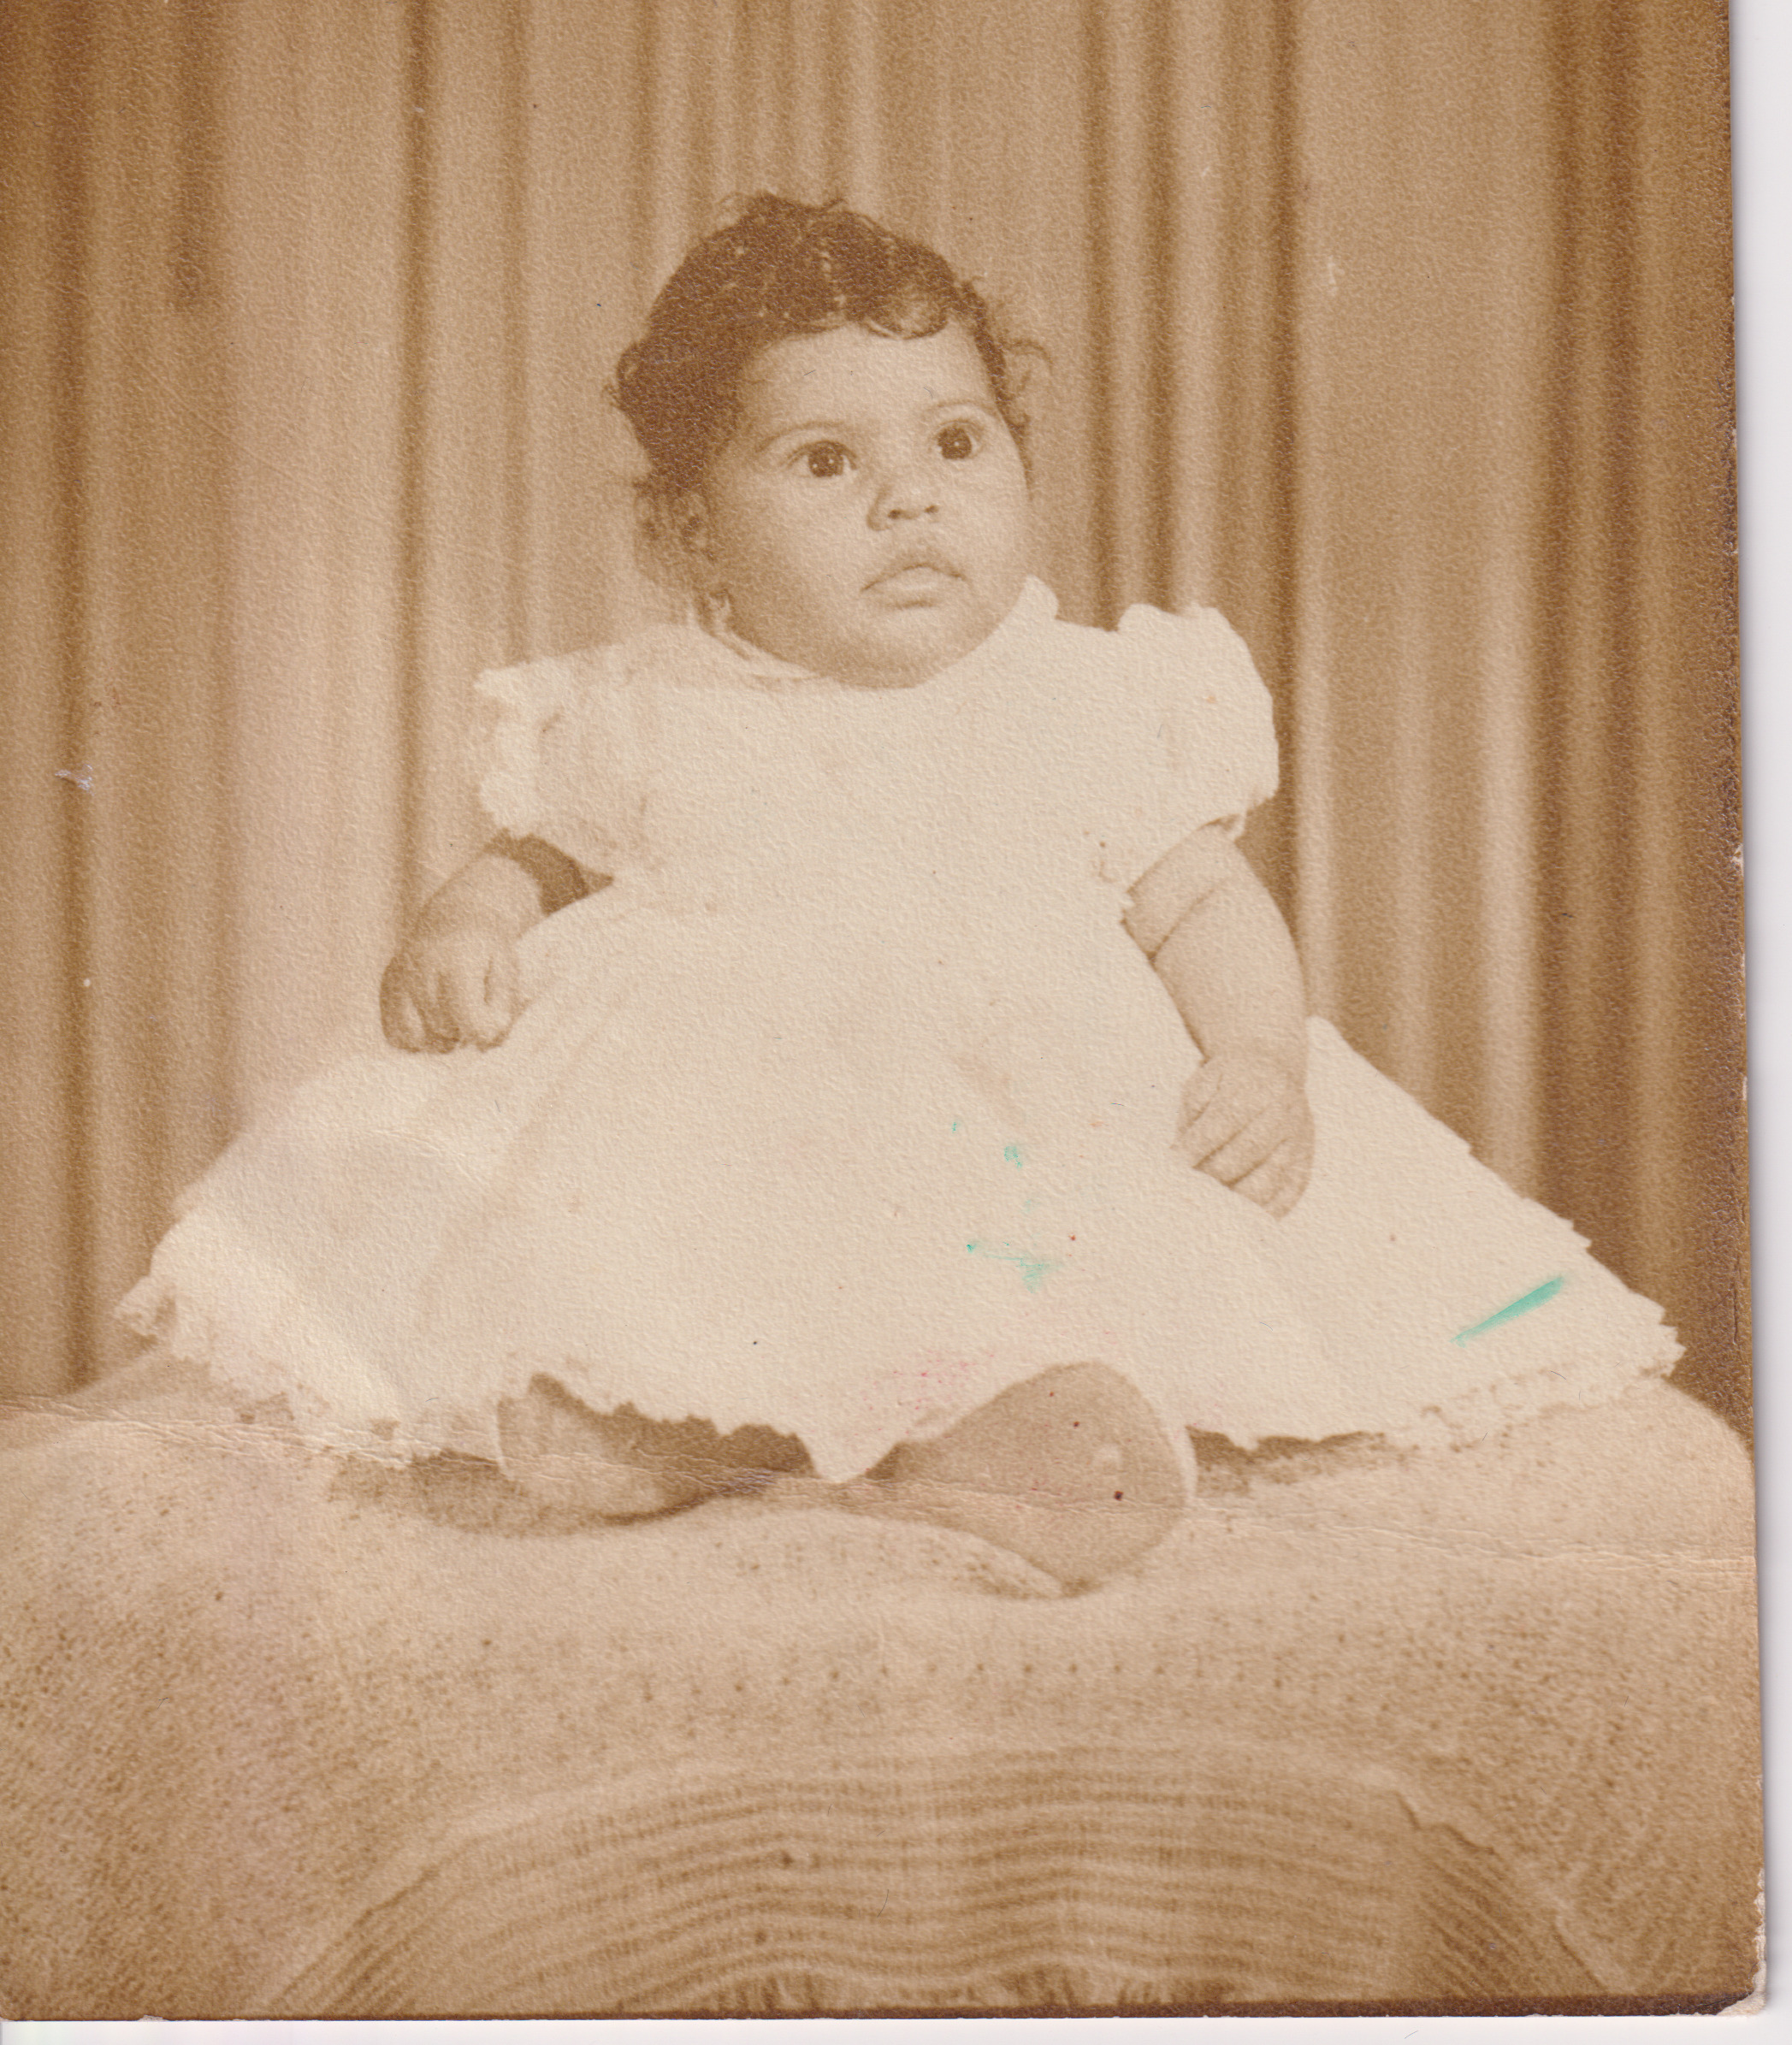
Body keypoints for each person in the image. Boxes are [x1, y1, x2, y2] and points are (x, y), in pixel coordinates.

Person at [121, 194, 1681, 1592]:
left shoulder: (1084, 701)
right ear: (689, 535)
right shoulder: (650, 711)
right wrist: (469, 921)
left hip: (1009, 1138)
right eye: (826, 462)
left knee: (1018, 1262)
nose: (910, 501)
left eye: (957, 444)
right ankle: (680, 1418)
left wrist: (1259, 1056)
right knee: (649, 1263)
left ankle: (986, 1433)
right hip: (734, 1147)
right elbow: (540, 853)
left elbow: (1202, 901)